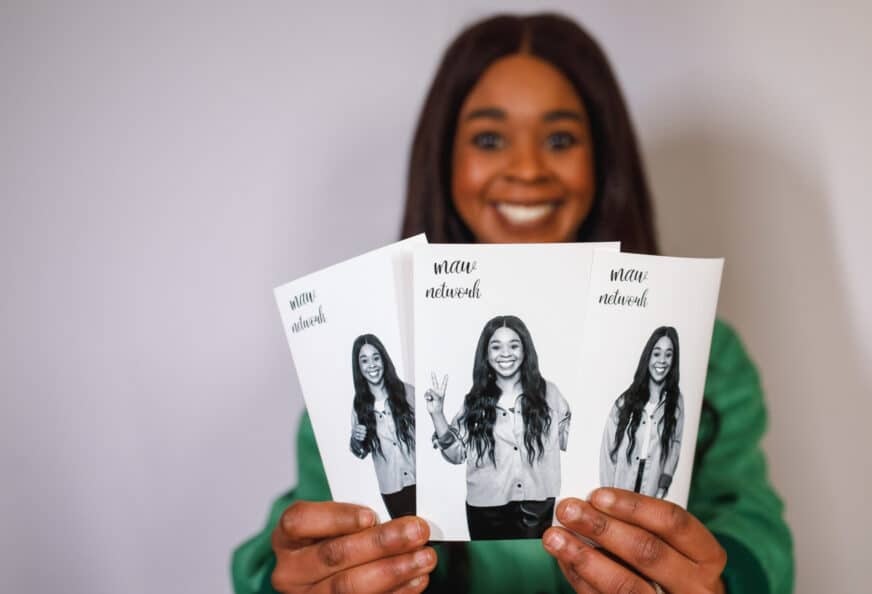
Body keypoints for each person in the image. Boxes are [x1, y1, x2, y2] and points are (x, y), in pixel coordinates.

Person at [232, 12, 794, 594]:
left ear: (602, 160)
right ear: (444, 159)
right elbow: (308, 526)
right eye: (489, 139)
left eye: (560, 139)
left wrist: (724, 583)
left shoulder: (703, 350)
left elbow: (752, 525)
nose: (527, 168)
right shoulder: (371, 346)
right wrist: (293, 581)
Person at [424, 315, 571, 540]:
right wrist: (437, 414)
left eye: (514, 345)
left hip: (538, 506)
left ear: (525, 351)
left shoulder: (550, 393)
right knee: (491, 574)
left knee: (532, 573)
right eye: (496, 347)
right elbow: (456, 454)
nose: (505, 354)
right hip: (485, 510)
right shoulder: (474, 401)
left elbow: (571, 440)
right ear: (486, 354)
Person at [599, 327, 683, 499]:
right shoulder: (624, 402)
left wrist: (662, 489)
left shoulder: (676, 402)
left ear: (673, 360)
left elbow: (675, 444)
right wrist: (607, 493)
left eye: (668, 355)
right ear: (648, 357)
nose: (662, 361)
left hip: (652, 491)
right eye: (657, 353)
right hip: (620, 487)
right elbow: (607, 451)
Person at [348, 334, 417, 519]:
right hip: (392, 489)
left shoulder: (407, 392)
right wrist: (356, 440)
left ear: (383, 360)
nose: (372, 365)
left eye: (376, 358)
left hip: (421, 481)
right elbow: (360, 452)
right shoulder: (359, 406)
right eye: (364, 360)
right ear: (359, 367)